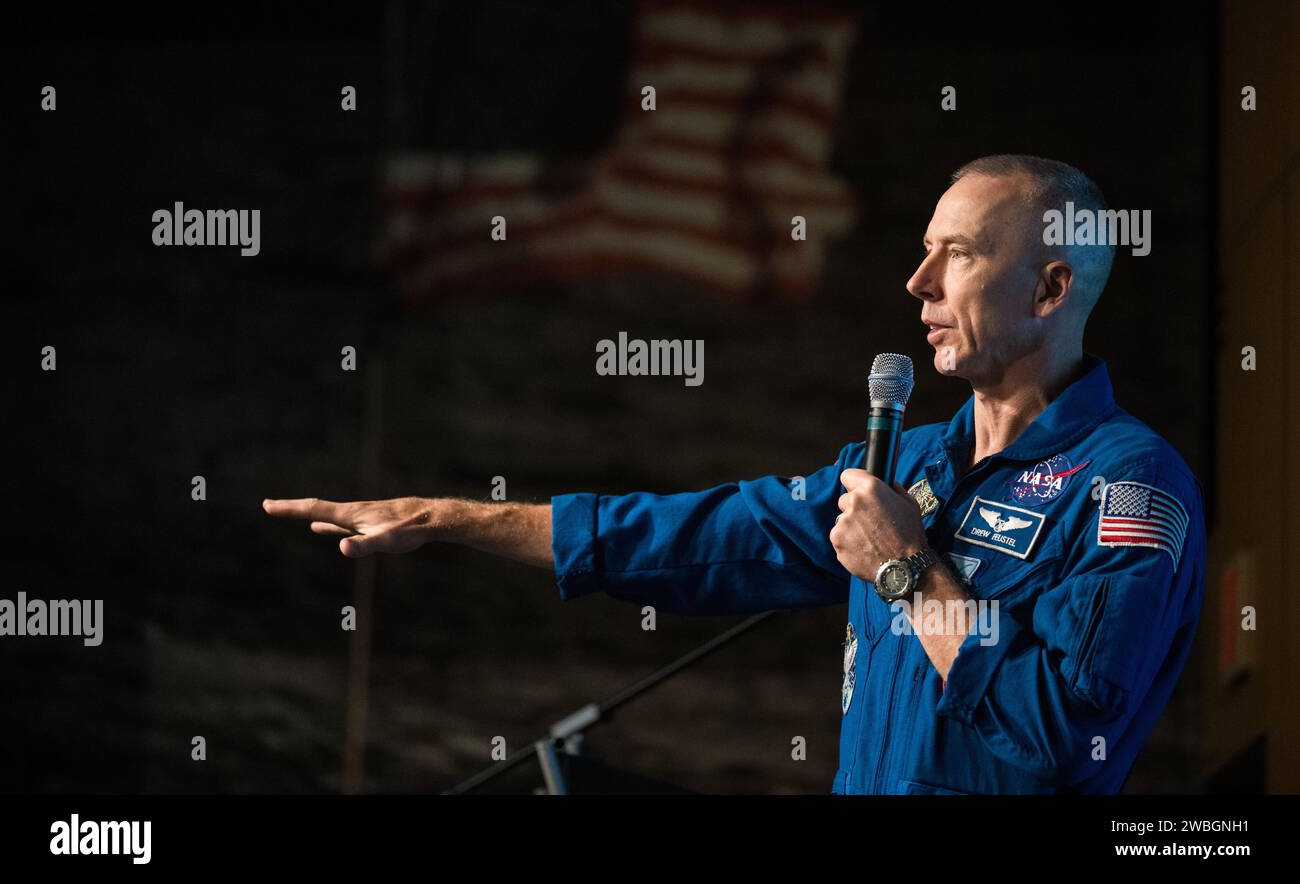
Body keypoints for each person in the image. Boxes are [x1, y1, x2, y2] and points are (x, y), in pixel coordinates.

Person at [264, 154, 1206, 794]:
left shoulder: (1129, 487)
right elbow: (699, 533)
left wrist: (910, 577)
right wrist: (449, 517)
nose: (916, 284)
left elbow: (1063, 736)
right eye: (923, 251)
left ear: (1050, 287)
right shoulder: (906, 463)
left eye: (956, 254)